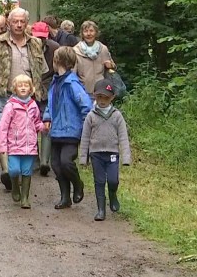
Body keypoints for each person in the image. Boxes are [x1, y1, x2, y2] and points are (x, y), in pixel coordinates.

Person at [0, 8, 48, 192]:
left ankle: (20, 170)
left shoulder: (35, 43)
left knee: (24, 133)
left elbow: (41, 71)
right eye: (15, 21)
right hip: (3, 96)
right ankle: (7, 172)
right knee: (1, 132)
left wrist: (34, 92)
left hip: (28, 99)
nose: (19, 25)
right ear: (9, 23)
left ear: (26, 23)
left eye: (22, 21)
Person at [43, 47, 92, 210]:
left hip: (71, 130)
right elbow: (50, 103)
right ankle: (65, 197)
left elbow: (86, 105)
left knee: (66, 161)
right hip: (56, 130)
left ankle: (77, 184)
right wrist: (47, 117)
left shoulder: (72, 83)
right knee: (56, 165)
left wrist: (86, 126)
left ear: (57, 62)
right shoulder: (55, 82)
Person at [79, 79, 132, 221]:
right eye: (100, 97)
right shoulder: (91, 116)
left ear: (112, 98)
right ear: (95, 96)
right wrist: (83, 157)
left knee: (113, 180)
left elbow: (123, 137)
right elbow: (85, 138)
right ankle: (101, 209)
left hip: (112, 153)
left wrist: (126, 157)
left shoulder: (117, 116)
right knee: (99, 181)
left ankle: (113, 195)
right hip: (96, 154)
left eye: (106, 98)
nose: (102, 101)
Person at [0, 74, 46, 208]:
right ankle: (15, 187)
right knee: (13, 170)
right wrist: (2, 146)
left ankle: (25, 198)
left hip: (29, 147)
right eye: (20, 85)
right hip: (14, 146)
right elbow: (3, 127)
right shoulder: (11, 106)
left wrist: (43, 127)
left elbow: (36, 122)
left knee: (27, 171)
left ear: (31, 89)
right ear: (15, 89)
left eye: (26, 85)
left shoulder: (33, 105)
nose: (23, 87)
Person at [31, 21, 60, 177]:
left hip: (48, 88)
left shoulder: (55, 48)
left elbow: (59, 69)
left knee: (47, 123)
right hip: (30, 90)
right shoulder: (27, 46)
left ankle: (44, 162)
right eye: (37, 37)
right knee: (30, 124)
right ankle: (34, 159)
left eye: (42, 37)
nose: (39, 40)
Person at [74, 20, 116, 98]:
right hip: (83, 92)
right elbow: (72, 74)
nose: (89, 34)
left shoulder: (103, 49)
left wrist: (110, 65)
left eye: (91, 31)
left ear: (96, 33)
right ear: (82, 34)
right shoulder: (76, 51)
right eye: (86, 31)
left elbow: (113, 67)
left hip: (102, 91)